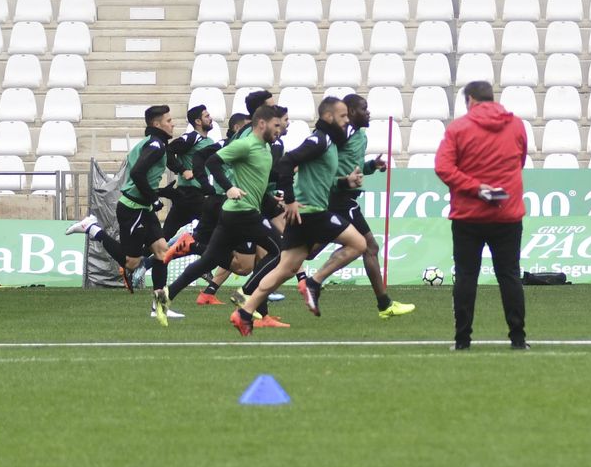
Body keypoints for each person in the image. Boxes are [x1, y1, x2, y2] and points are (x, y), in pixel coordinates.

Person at [292, 96, 415, 320]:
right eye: (363, 108)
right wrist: (336, 181)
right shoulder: (343, 134)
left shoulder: (359, 135)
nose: (368, 112)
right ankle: (314, 283)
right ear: (350, 112)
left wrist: (371, 166)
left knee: (307, 252)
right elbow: (325, 159)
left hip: (343, 198)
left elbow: (349, 165)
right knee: (368, 246)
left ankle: (257, 285)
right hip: (339, 198)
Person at [169, 106, 287, 331]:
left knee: (212, 260)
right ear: (262, 123)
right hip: (243, 211)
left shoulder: (264, 148)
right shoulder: (245, 144)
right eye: (277, 125)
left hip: (235, 212)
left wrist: (279, 197)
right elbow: (212, 161)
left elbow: (260, 180)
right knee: (279, 252)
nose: (280, 129)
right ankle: (245, 295)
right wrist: (228, 187)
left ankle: (165, 295)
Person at [434, 81, 531, 351]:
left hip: (469, 215)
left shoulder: (459, 128)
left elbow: (443, 167)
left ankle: (462, 340)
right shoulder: (517, 125)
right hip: (507, 212)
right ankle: (518, 339)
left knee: (466, 276)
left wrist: (476, 188)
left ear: (471, 101)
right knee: (509, 275)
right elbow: (520, 161)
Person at [66, 105, 178, 325]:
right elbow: (137, 173)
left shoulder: (152, 143)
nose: (172, 124)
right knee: (131, 263)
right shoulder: (155, 145)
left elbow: (141, 176)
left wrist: (159, 193)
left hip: (143, 208)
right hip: (133, 209)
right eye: (168, 120)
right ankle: (92, 228)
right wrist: (154, 198)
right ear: (157, 124)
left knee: (162, 252)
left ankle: (159, 307)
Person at [161, 104, 216, 254]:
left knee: (164, 237)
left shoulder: (210, 141)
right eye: (206, 116)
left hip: (191, 195)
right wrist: (182, 170)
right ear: (198, 121)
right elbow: (168, 151)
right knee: (215, 227)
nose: (210, 118)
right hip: (190, 193)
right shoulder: (192, 137)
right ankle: (192, 248)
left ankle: (144, 259)